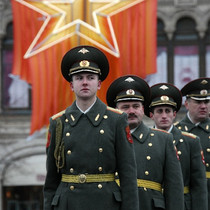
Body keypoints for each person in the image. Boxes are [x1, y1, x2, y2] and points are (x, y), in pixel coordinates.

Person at [43, 46, 139, 210]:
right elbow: (51, 179)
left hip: (105, 202)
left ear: (99, 83)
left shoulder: (116, 120)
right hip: (68, 203)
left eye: (91, 77)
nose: (85, 82)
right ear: (71, 85)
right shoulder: (58, 122)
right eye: (79, 77)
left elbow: (128, 175)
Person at [106, 75, 184, 210]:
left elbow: (174, 189)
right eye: (125, 107)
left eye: (136, 106)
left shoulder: (163, 140)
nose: (131, 111)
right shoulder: (106, 139)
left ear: (143, 109)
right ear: (116, 111)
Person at [147, 83, 208, 210]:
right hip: (153, 203)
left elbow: (198, 185)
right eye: (159, 111)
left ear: (174, 114)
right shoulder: (145, 140)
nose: (164, 116)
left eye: (168, 111)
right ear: (151, 115)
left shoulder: (190, 142)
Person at [175, 77, 210, 206]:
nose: (203, 106)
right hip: (186, 196)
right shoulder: (176, 132)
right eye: (198, 102)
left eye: (206, 102)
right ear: (187, 104)